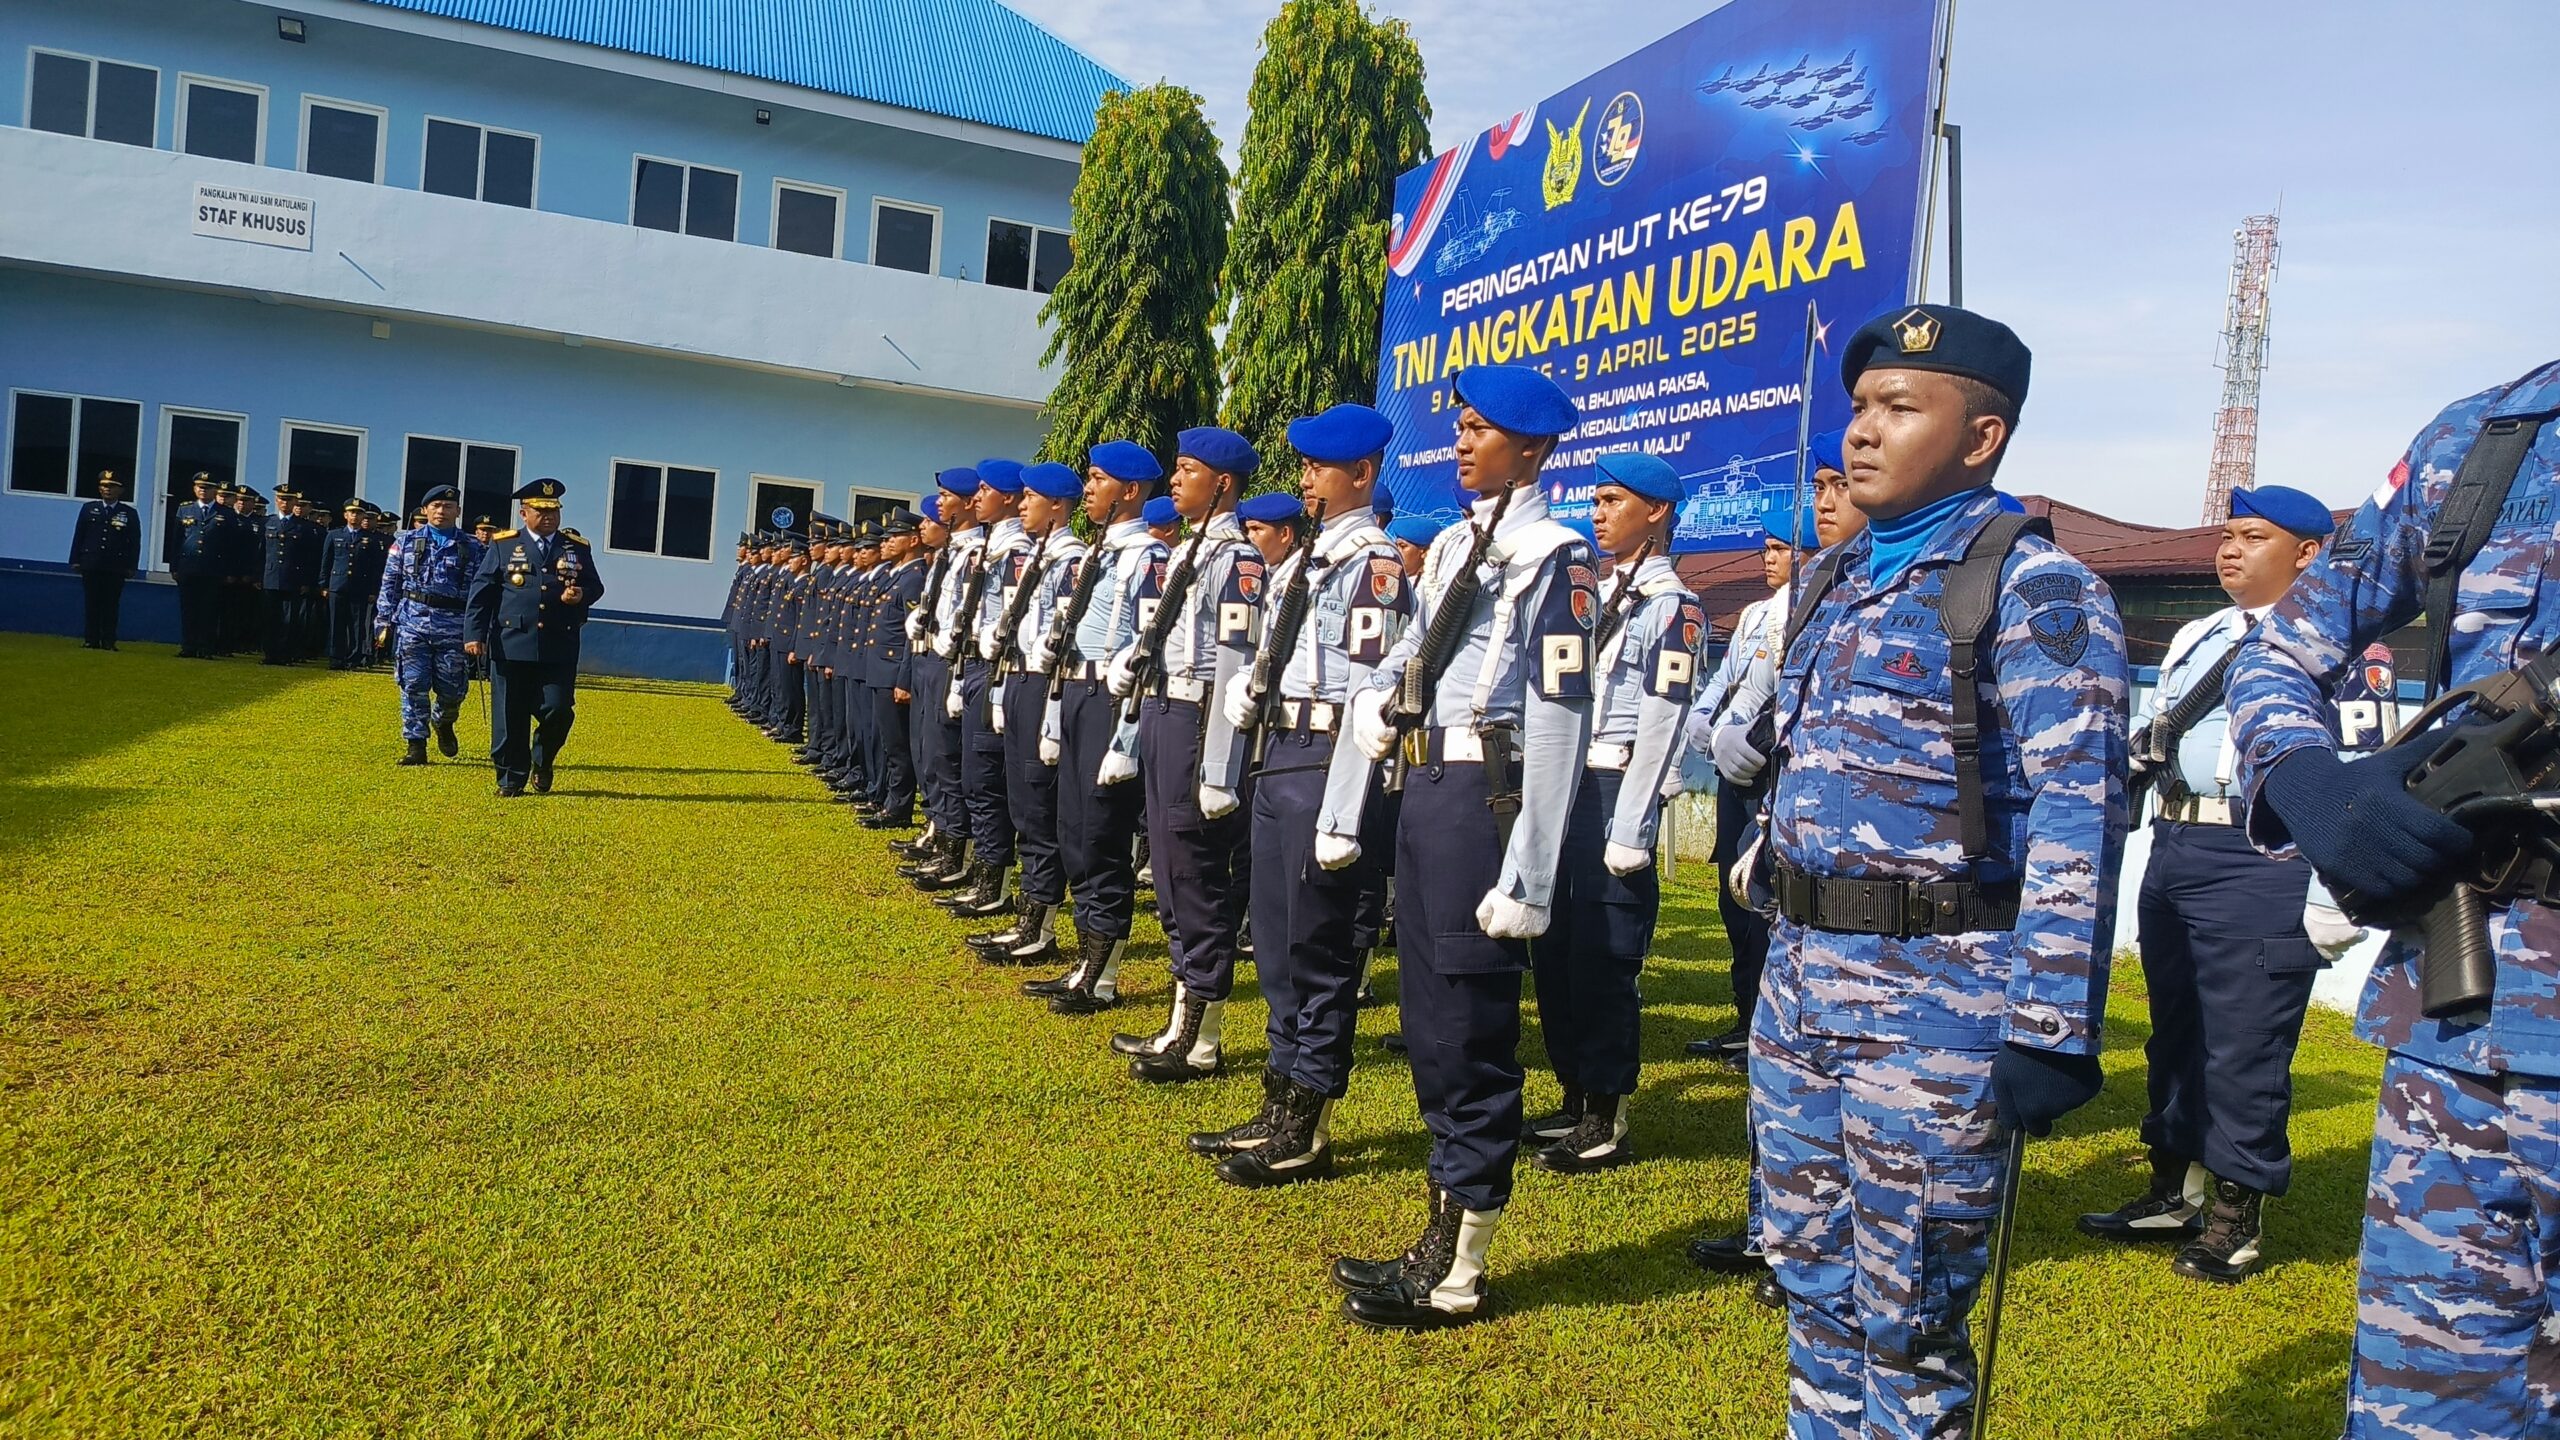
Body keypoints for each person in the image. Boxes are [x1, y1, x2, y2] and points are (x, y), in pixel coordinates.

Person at [1741, 306, 2127, 1435]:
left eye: (1900, 408)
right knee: (1809, 1283)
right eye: (1860, 405)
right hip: (1799, 991)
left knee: (1907, 1317)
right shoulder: (1831, 578)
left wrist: (2051, 1031)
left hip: (1933, 1009)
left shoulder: (2034, 588)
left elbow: (2079, 813)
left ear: (1980, 437)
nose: (1862, 431)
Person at [2225, 358, 2559, 1439]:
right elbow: (2281, 647)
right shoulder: (2491, 437)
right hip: (2461, 1043)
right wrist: (2303, 780)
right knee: (2419, 1415)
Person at [1326, 364, 1599, 1329]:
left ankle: (1459, 1266)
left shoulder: (1558, 556)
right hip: (1428, 785)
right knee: (1431, 1016)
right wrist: (1376, 695)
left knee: (1470, 1022)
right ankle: (1438, 1232)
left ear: (1533, 448)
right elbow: (1414, 647)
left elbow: (1561, 716)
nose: (1463, 441)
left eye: (1482, 429)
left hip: (1489, 794)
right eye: (1462, 426)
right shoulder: (1451, 543)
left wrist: (1531, 870)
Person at [2075, 485, 2336, 1283]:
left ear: (2307, 555)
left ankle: (2234, 1218)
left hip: (2262, 857)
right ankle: (2172, 1190)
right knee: (2175, 1032)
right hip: (2178, 842)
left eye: (2254, 537)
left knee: (2244, 1044)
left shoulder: (2338, 642)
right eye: (2228, 535)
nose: (2230, 550)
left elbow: (2359, 768)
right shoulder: (2202, 633)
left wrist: (2333, 885)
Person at [1191, 403, 1410, 1186]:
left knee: (1319, 947)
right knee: (1280, 941)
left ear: (1362, 474)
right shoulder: (1305, 563)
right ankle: (1278, 1096)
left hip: (1328, 760)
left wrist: (1345, 810)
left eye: (1321, 467)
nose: (1307, 479)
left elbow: (1367, 689)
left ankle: (1308, 1122)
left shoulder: (1373, 568)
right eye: (1306, 466)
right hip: (1282, 753)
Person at [1526, 450, 1705, 1174]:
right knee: (1555, 949)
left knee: (1604, 955)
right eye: (1596, 502)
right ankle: (1573, 1095)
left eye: (1612, 501)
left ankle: (1606, 1113)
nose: (1597, 514)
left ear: (1655, 512)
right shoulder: (1592, 598)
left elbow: (1663, 722)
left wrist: (1632, 828)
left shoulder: (1673, 608)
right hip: (1567, 786)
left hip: (1613, 789)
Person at [1106, 427, 1263, 1082]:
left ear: (1222, 483)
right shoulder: (1189, 551)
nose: (1175, 480)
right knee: (1171, 874)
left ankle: (1201, 1040)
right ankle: (1180, 1024)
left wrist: (1219, 766)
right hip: (1165, 710)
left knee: (1194, 875)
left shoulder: (1237, 559)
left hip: (1198, 719)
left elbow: (1234, 665)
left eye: (1188, 470)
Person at [1022, 440, 1165, 1012]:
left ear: (1129, 491)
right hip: (1076, 692)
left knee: (1102, 835)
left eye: (1098, 479)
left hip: (1112, 697)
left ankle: (1101, 976)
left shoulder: (1147, 558)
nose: (1088, 489)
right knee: (1074, 829)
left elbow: (1149, 649)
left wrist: (1126, 738)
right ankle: (1086, 959)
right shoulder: (1096, 555)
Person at [1684, 483, 1816, 1065]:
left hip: (1768, 771)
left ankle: (1768, 1025)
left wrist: (1751, 740)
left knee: (1761, 896)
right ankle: (1745, 1016)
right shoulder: (1756, 613)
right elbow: (1726, 678)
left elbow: (1783, 695)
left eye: (1780, 549)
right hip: (1731, 766)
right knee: (1731, 897)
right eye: (1766, 548)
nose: (1768, 558)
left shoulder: (1806, 611)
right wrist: (1703, 720)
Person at [968, 461, 1090, 966]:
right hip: (1018, 679)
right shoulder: (1037, 558)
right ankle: (1028, 914)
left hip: (1044, 684)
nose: (1021, 506)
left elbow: (1062, 633)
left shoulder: (1071, 560)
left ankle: (1040, 925)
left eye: (1031, 498)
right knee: (1022, 803)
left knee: (1039, 806)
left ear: (1057, 505)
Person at [466, 478, 603, 797]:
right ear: (524, 513)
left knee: (558, 709)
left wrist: (581, 594)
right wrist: (474, 634)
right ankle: (511, 778)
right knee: (509, 715)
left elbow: (595, 586)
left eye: (553, 511)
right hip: (511, 642)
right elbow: (482, 592)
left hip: (558, 644)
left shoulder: (576, 547)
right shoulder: (503, 545)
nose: (548, 517)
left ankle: (542, 760)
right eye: (540, 511)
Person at [940, 459, 1032, 918]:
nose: (976, 498)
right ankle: (983, 872)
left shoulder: (1014, 552)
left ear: (1008, 498)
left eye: (985, 490)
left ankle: (993, 881)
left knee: (985, 782)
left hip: (995, 669)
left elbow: (1013, 618)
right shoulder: (992, 546)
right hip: (974, 664)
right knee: (973, 778)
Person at [905, 471, 987, 893]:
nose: (938, 504)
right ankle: (941, 832)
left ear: (969, 503)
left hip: (952, 660)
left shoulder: (975, 553)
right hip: (931, 655)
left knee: (946, 756)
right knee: (930, 752)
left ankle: (956, 849)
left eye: (946, 496)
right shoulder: (950, 551)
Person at [375, 485, 486, 765]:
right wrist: (383, 621)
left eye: (448, 506)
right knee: (413, 685)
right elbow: (390, 584)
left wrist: (480, 629)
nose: (441, 511)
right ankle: (416, 745)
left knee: (453, 690)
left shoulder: (475, 547)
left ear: (458, 511)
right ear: (425, 510)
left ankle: (443, 722)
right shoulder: (405, 543)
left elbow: (483, 593)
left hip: (455, 627)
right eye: (435, 506)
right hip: (413, 623)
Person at [864, 509, 928, 830]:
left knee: (899, 745)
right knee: (889, 742)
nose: (886, 543)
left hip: (893, 673)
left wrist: (904, 679)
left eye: (895, 537)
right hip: (881, 669)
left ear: (913, 540)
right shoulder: (898, 575)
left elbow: (911, 636)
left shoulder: (914, 578)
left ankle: (898, 808)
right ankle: (888, 799)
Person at [67, 470, 141, 650]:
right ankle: (91, 639)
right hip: (91, 563)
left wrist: (132, 566)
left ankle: (108, 640)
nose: (107, 489)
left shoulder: (128, 513)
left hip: (115, 566)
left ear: (120, 490)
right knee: (92, 603)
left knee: (111, 604)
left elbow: (134, 542)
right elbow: (79, 535)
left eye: (112, 486)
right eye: (104, 486)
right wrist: (75, 559)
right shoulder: (89, 508)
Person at [171, 472, 230, 659]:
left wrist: (227, 570)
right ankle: (188, 646)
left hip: (213, 569)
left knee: (209, 610)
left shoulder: (225, 513)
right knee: (188, 609)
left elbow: (230, 545)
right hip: (188, 567)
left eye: (207, 487)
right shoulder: (185, 509)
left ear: (215, 490)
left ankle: (206, 648)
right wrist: (174, 567)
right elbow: (176, 540)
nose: (203, 490)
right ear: (194, 488)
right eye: (199, 487)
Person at [1240, 491, 1305, 567]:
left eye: (1256, 529)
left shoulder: (1310, 572)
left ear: (1284, 533)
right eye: (1247, 530)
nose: (1249, 537)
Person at [1386, 513, 1444, 579]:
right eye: (1396, 545)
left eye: (1403, 546)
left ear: (1425, 552)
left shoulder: (1435, 583)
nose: (1396, 552)